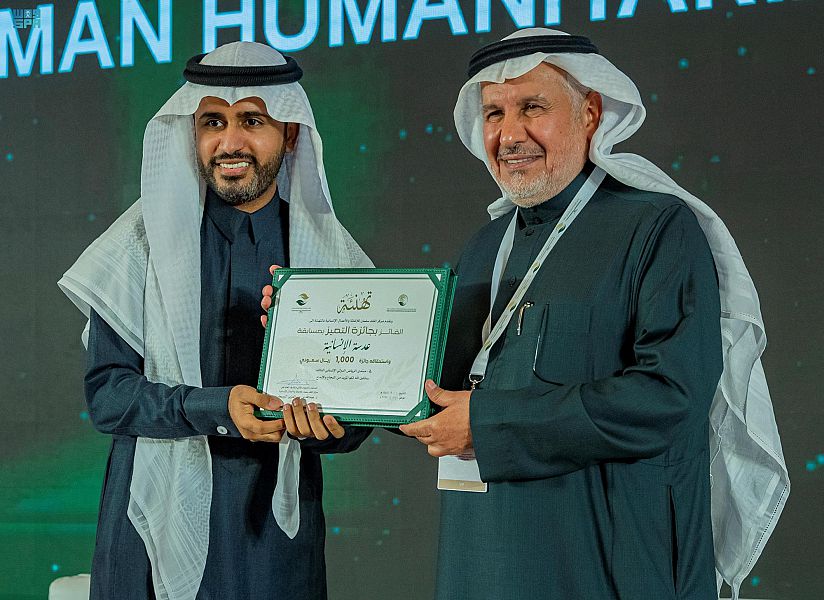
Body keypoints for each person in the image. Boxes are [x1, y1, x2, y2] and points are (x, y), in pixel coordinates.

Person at [398, 28, 789, 599]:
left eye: (533, 108)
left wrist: (489, 423)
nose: (510, 135)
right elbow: (430, 389)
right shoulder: (485, 246)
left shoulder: (657, 226)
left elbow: (669, 396)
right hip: (482, 551)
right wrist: (319, 361)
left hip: (614, 554)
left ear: (591, 113)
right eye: (495, 114)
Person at [58, 42, 372, 600]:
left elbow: (357, 415)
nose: (229, 143)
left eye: (252, 121)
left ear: (290, 134)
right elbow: (108, 397)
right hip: (150, 522)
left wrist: (330, 426)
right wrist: (215, 408)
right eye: (212, 123)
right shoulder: (140, 243)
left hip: (272, 529)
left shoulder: (326, 253)